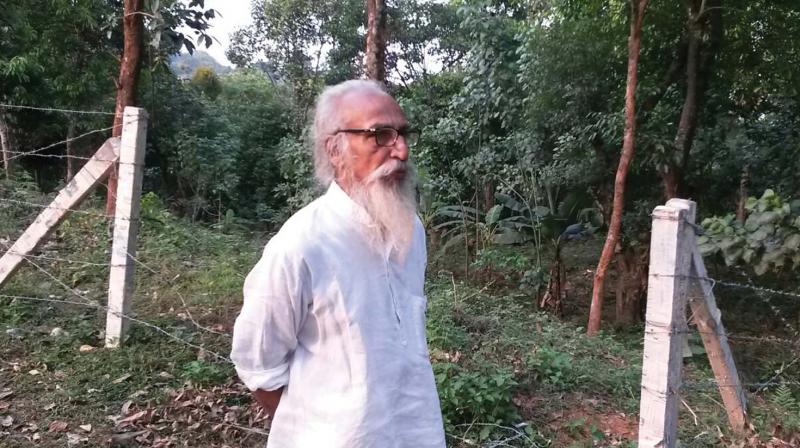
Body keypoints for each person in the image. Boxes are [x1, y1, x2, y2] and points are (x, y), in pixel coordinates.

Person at [230, 79, 446, 448]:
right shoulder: (302, 244)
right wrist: (326, 427)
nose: (402, 150)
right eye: (381, 135)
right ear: (335, 149)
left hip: (416, 433)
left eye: (403, 134)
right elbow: (259, 368)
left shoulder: (410, 230)